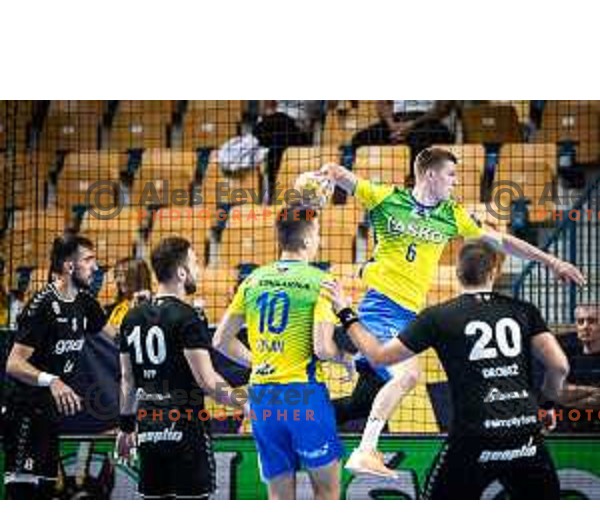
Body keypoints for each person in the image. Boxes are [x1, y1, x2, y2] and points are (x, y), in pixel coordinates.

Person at [320, 147, 585, 477]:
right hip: (381, 306)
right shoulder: (386, 198)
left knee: (361, 402)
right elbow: (344, 175)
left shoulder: (451, 215)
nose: (456, 182)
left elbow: (501, 241)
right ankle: (366, 449)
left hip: (407, 313)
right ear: (430, 175)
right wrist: (327, 173)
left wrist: (552, 261)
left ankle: (295, 425)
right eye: (451, 175)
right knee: (409, 375)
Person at [323, 240, 568, 499]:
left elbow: (379, 356)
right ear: (494, 272)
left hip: (474, 438)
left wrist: (345, 312)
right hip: (525, 437)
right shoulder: (524, 311)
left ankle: (360, 445)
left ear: (457, 273)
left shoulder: (439, 316)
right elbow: (559, 366)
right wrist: (548, 405)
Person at [213, 206, 349, 500]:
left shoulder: (252, 280)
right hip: (304, 395)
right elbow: (323, 348)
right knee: (327, 493)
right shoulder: (321, 281)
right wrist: (346, 358)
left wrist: (260, 361)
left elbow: (220, 340)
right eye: (319, 234)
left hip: (263, 398)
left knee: (279, 497)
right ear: (309, 239)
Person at [115, 236, 238, 499]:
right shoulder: (187, 317)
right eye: (194, 262)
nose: (198, 269)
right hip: (185, 432)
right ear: (181, 272)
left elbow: (127, 379)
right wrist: (246, 402)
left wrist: (126, 427)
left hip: (148, 431)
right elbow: (207, 382)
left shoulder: (132, 316)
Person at [4, 234, 111, 499]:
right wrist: (52, 380)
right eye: (88, 260)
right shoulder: (42, 306)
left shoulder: (84, 301)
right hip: (25, 414)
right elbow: (14, 363)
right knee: (23, 495)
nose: (95, 267)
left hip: (50, 416)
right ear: (68, 266)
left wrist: (143, 316)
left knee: (47, 492)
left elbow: (117, 335)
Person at [105, 258, 153, 329]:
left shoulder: (151, 308)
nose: (117, 280)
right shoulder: (113, 309)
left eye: (121, 275)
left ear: (136, 277)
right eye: (116, 275)